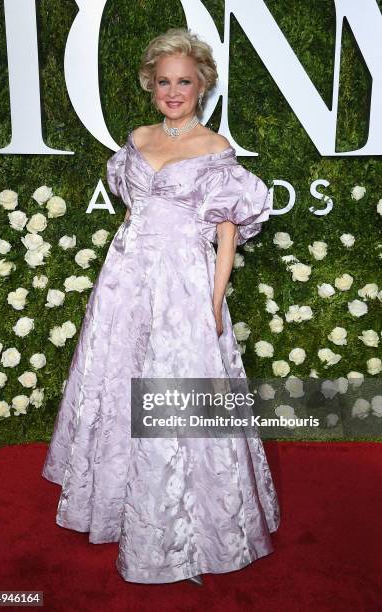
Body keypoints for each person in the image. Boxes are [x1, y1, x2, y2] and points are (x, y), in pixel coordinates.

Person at [42, 27, 280, 586]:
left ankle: (185, 526)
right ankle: (115, 503)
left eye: (186, 82)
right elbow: (134, 215)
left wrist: (215, 298)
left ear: (203, 87)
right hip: (125, 279)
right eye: (165, 82)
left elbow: (226, 231)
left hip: (181, 283)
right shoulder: (137, 139)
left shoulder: (216, 149)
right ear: (152, 85)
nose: (175, 91)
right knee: (116, 378)